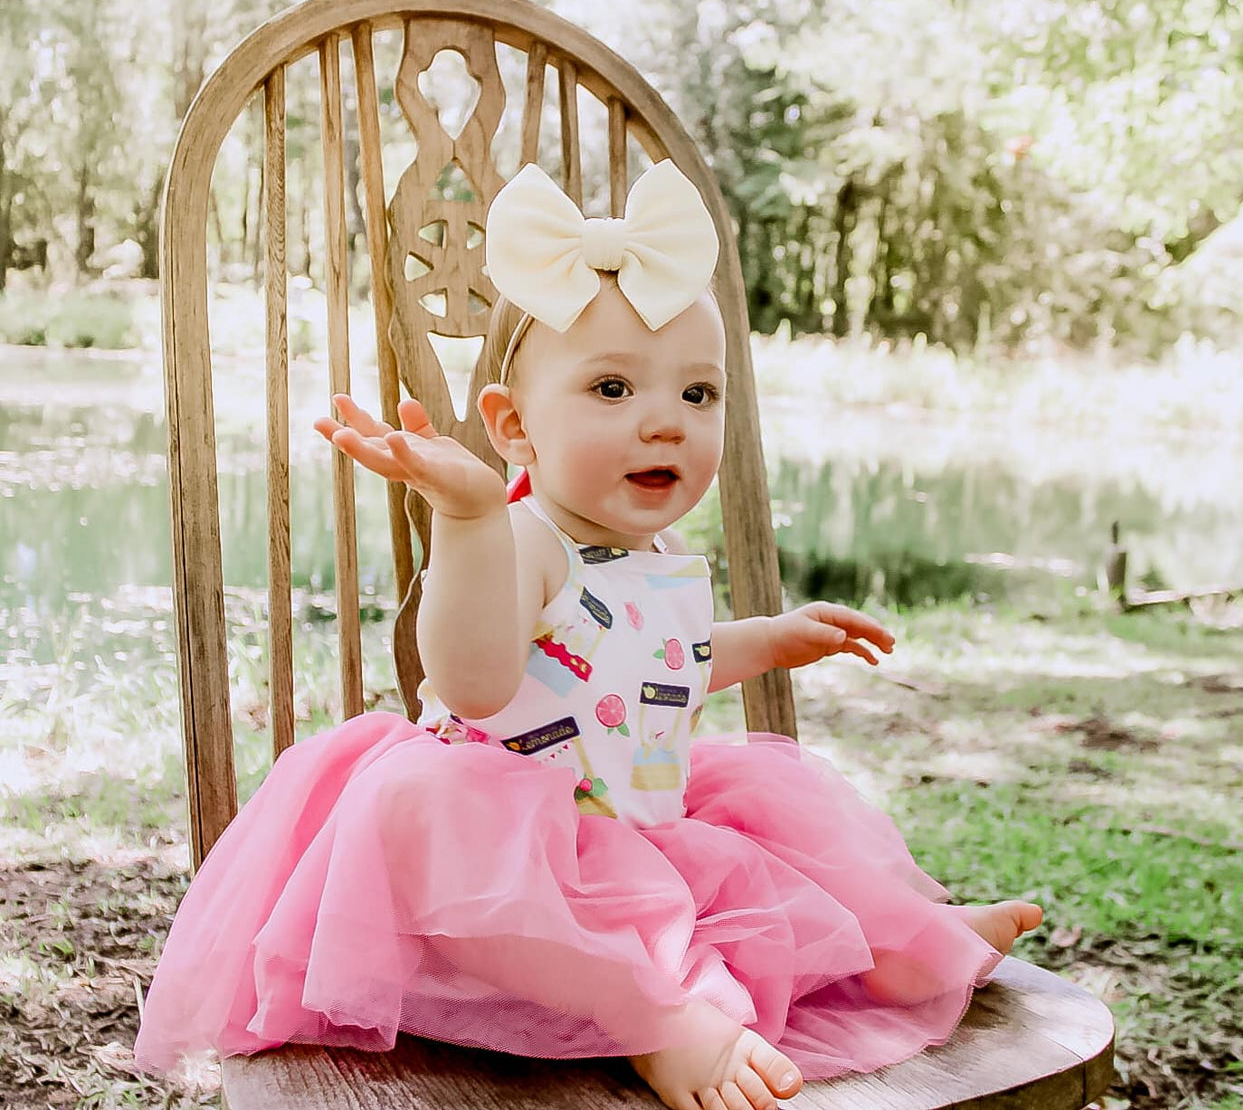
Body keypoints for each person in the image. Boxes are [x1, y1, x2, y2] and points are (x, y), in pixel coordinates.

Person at [134, 160, 1043, 1110]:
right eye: (612, 389)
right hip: (500, 890)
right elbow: (475, 679)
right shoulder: (524, 541)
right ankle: (659, 1022)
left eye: (698, 394)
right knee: (420, 806)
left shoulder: (661, 562)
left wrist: (769, 639)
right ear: (514, 426)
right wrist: (472, 517)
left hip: (632, 851)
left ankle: (899, 949)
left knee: (764, 832)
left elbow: (664, 666)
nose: (664, 421)